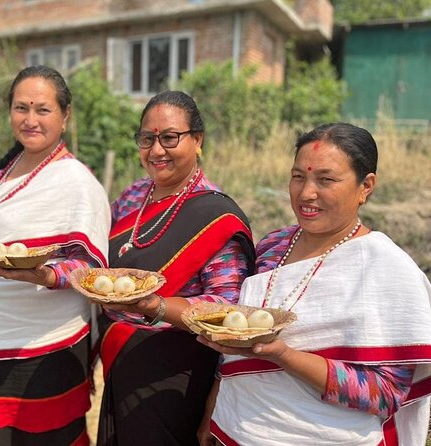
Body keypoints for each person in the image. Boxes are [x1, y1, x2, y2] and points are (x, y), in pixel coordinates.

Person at [200, 122, 431, 446]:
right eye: (298, 177)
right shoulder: (273, 247)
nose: (306, 193)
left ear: (366, 186)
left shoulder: (386, 268)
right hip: (236, 430)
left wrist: (285, 356)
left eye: (326, 180)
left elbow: (384, 394)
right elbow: (237, 354)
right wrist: (213, 408)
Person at [0, 65, 110, 446]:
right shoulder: (1, 173)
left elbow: (89, 267)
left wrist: (45, 275)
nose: (30, 119)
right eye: (21, 108)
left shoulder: (77, 182)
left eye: (43, 109)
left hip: (43, 349)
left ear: (65, 116)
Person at [95, 90, 256, 446]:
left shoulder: (215, 217)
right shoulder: (133, 197)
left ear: (197, 140)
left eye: (170, 138)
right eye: (147, 139)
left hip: (173, 379)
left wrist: (155, 307)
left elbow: (227, 312)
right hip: (120, 364)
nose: (156, 151)